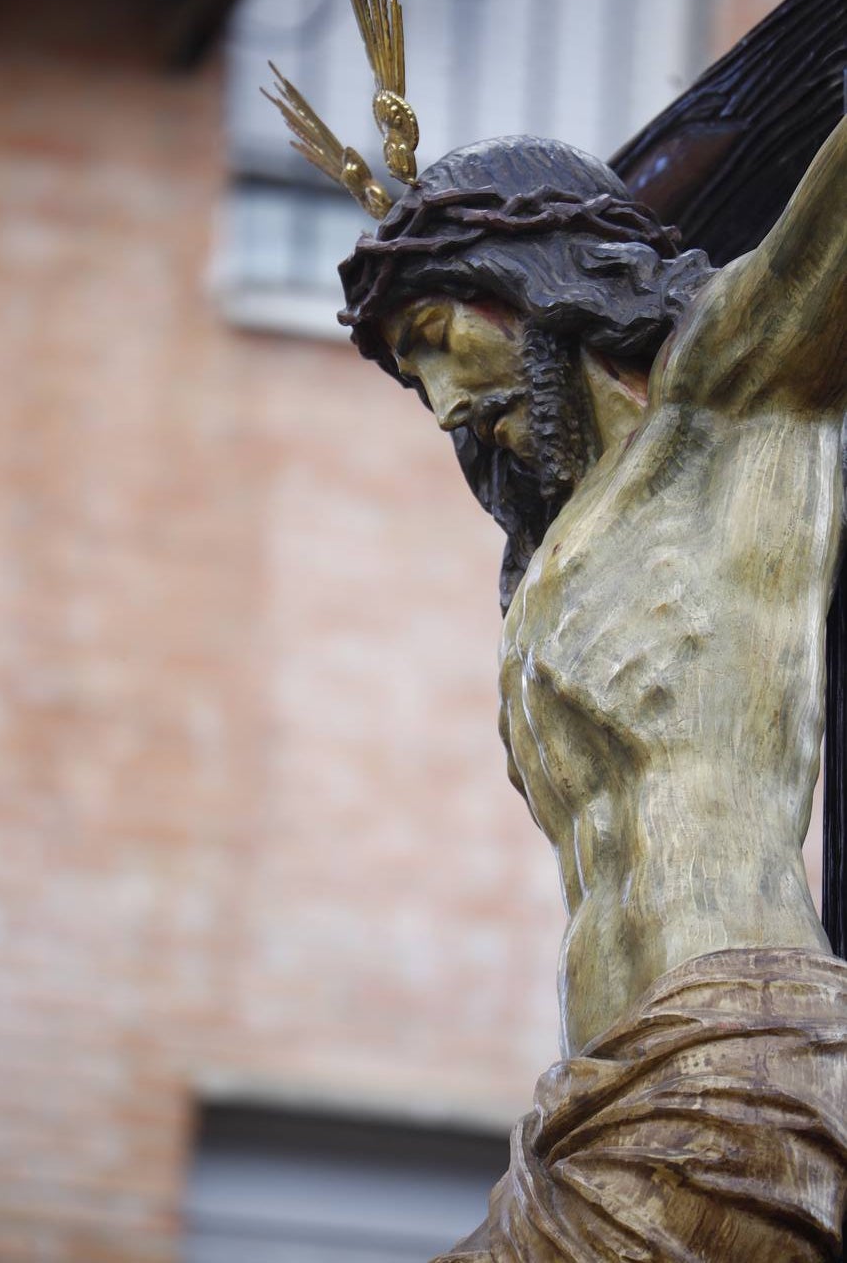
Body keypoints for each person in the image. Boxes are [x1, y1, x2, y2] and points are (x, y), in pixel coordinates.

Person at [338, 121, 847, 1261]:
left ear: (528, 281)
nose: (441, 405)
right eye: (409, 372)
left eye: (435, 337)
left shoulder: (729, 403)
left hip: (733, 1075)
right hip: (597, 1099)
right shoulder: (557, 560)